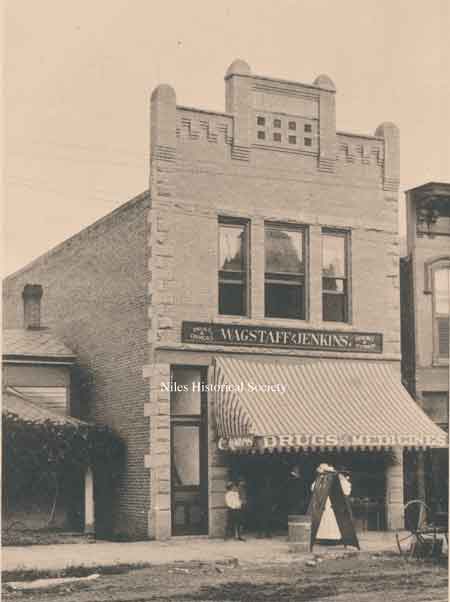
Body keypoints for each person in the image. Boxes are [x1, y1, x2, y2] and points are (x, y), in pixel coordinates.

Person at [311, 463, 341, 543]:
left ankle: (333, 538)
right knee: (323, 519)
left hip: (331, 502)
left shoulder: (334, 481)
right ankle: (321, 538)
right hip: (322, 502)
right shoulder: (320, 480)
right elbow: (313, 488)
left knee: (331, 519)